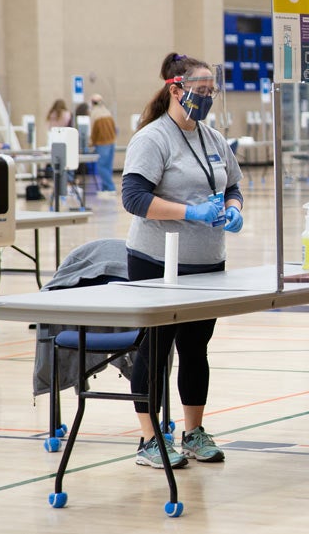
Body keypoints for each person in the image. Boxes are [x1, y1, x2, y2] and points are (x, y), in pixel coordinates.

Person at [121, 52, 244, 468]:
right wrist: (190, 212)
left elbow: (234, 184)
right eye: (200, 91)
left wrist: (234, 207)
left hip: (207, 262)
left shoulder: (213, 139)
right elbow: (134, 199)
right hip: (157, 260)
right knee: (155, 350)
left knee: (196, 349)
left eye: (212, 92)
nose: (207, 99)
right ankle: (149, 440)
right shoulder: (153, 138)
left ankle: (193, 432)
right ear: (176, 89)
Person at [89, 94, 118, 193]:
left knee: (101, 166)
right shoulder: (107, 112)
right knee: (108, 167)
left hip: (102, 143)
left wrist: (91, 143)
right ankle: (105, 188)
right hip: (111, 142)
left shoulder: (94, 114)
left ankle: (110, 188)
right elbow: (115, 128)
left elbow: (93, 131)